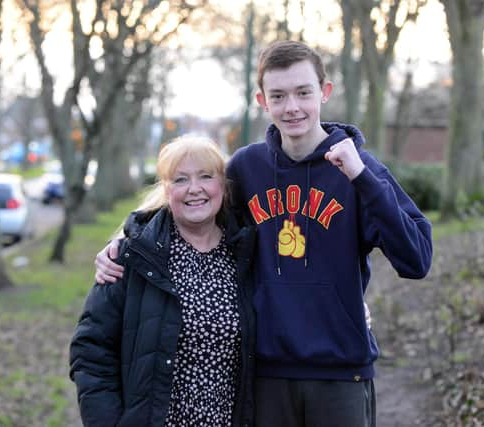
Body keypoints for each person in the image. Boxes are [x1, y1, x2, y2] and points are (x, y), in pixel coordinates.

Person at [95, 40, 433, 427]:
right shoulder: (247, 168)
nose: (292, 107)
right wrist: (123, 239)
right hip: (263, 374)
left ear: (324, 92)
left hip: (341, 373)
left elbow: (416, 260)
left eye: (303, 92)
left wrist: (362, 177)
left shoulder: (360, 169)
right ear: (262, 100)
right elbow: (190, 206)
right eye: (279, 95)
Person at [69, 136, 257, 427]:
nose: (194, 189)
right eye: (180, 180)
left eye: (206, 176)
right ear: (166, 189)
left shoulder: (246, 254)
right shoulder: (133, 256)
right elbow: (91, 352)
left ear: (222, 184)